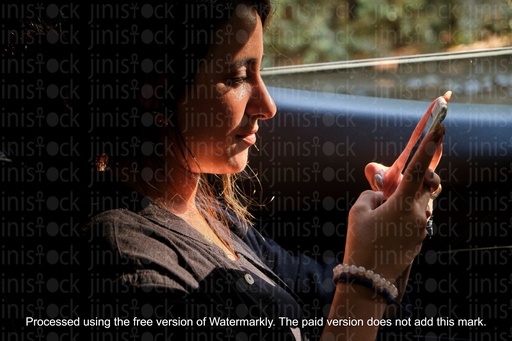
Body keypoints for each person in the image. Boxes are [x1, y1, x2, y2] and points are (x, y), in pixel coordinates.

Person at [81, 1, 443, 340]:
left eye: (260, 71)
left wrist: (393, 240)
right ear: (155, 94)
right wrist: (369, 275)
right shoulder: (128, 259)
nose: (267, 106)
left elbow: (324, 295)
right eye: (238, 78)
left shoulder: (205, 210)